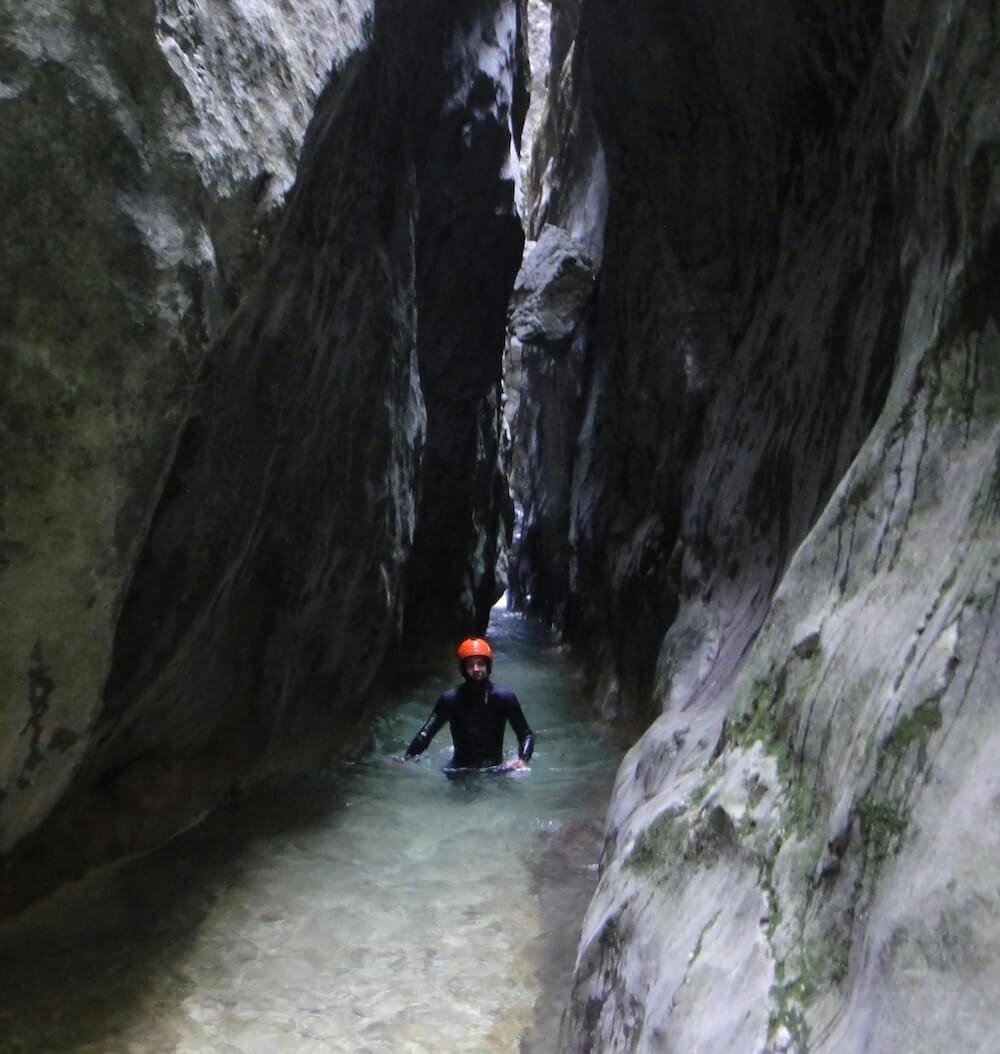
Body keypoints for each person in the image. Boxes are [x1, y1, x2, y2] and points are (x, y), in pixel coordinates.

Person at [404, 637, 534, 771]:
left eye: (480, 663)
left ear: (488, 666)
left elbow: (526, 735)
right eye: (470, 665)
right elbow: (426, 734)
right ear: (463, 669)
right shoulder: (450, 699)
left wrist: (522, 760)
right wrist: (406, 759)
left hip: (495, 769)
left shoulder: (505, 698)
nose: (476, 669)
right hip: (459, 770)